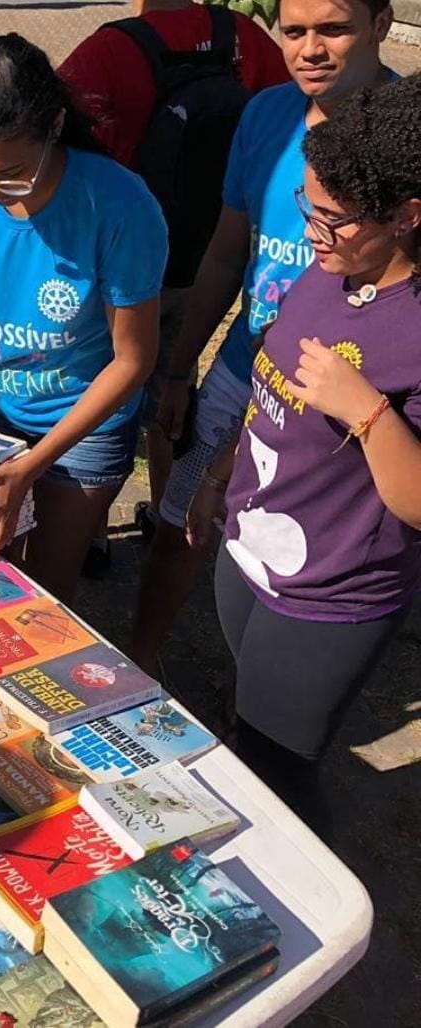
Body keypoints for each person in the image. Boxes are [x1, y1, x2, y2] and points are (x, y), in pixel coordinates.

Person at [130, 0, 395, 673]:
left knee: (287, 565)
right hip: (245, 369)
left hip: (344, 395)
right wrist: (183, 364)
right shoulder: (265, 114)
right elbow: (226, 251)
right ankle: (139, 663)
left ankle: (269, 702)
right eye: (295, 30)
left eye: (333, 29)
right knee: (181, 519)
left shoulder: (406, 131)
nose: (310, 49)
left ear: (382, 22)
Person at [188, 74, 421, 834]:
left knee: (278, 772)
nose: (314, 233)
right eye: (308, 210)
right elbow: (270, 386)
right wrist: (220, 471)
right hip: (251, 550)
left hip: (332, 594)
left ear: (409, 215)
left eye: (335, 219)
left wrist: (368, 411)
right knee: (248, 725)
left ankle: (313, 920)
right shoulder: (331, 270)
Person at [0, 33, 167, 603]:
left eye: (9, 176)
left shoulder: (120, 206)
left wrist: (35, 462)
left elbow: (134, 360)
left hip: (84, 424)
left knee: (43, 595)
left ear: (55, 127)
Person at [59, 0, 288, 544]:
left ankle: (84, 531)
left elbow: (52, 131)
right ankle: (168, 516)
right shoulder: (244, 37)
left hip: (123, 268)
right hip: (208, 255)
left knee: (105, 390)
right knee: (169, 397)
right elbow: (290, 114)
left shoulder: (111, 46)